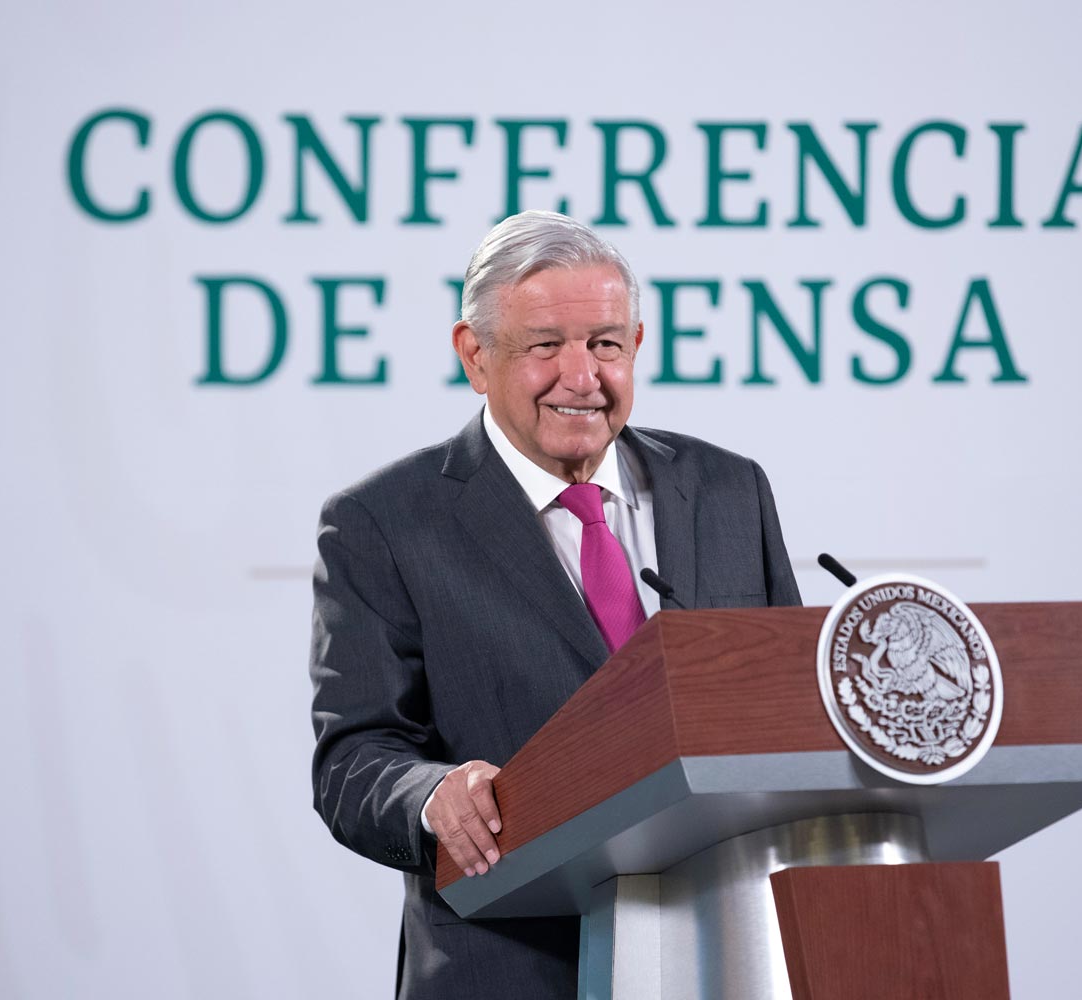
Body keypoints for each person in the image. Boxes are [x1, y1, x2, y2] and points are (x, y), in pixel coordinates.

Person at [309, 211, 801, 999]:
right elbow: (353, 761)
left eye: (606, 343)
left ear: (636, 347)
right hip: (511, 967)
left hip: (729, 955)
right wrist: (433, 797)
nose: (582, 376)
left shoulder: (728, 488)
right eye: (545, 346)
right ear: (476, 355)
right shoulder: (385, 523)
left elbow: (786, 714)